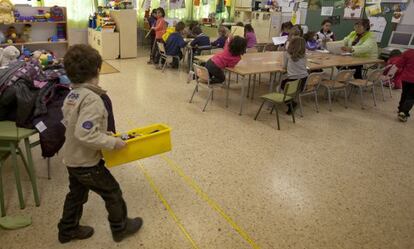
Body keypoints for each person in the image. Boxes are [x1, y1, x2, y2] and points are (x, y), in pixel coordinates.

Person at [57, 44, 143, 244]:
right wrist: (111, 142)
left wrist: (102, 133)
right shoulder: (93, 100)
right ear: (97, 70)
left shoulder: (72, 95)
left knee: (76, 195)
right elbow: (84, 133)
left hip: (71, 158)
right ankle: (120, 228)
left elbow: (73, 125)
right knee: (112, 192)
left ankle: (67, 229)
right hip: (87, 162)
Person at [281, 37, 308, 114]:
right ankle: (292, 101)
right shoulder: (304, 54)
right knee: (291, 88)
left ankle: (291, 104)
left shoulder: (287, 54)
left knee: (281, 88)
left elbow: (284, 67)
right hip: (304, 79)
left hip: (292, 80)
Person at [394, 49, 414, 122]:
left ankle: (400, 110)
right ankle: (404, 113)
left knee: (404, 94)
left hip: (406, 78)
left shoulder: (408, 52)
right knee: (411, 96)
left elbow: (398, 64)